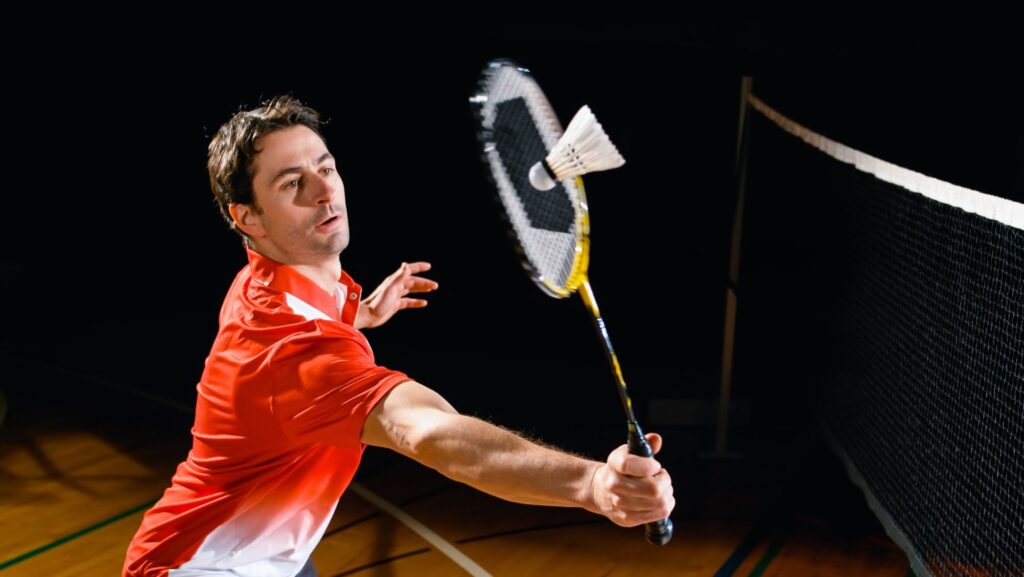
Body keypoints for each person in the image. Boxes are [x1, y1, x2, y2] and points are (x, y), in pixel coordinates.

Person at [123, 95, 674, 577]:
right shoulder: (292, 350)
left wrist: (358, 312)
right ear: (248, 218)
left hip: (270, 557)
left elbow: (298, 338)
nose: (324, 192)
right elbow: (428, 433)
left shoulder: (269, 283)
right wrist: (594, 485)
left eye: (326, 167)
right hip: (200, 566)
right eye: (293, 183)